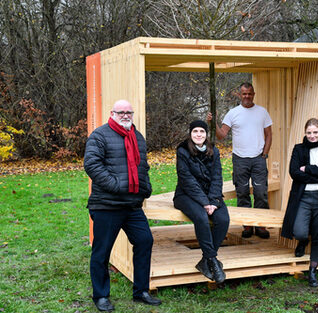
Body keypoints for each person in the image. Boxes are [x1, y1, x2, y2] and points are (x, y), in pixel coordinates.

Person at [84, 99, 161, 311]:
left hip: (132, 205)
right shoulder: (99, 135)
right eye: (121, 112)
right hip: (107, 205)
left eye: (129, 112)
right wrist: (117, 185)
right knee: (102, 251)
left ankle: (141, 291)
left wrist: (146, 188)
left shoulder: (137, 136)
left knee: (145, 241)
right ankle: (101, 296)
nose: (126, 115)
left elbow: (142, 166)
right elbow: (92, 165)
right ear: (112, 113)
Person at [208, 82, 272, 239]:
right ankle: (247, 225)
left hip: (258, 159)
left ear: (254, 94)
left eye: (250, 93)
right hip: (240, 160)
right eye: (244, 94)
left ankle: (261, 225)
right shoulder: (233, 113)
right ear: (239, 94)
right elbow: (221, 135)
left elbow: (269, 134)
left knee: (261, 193)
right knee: (242, 193)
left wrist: (264, 153)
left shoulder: (262, 112)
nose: (247, 96)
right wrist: (213, 123)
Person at [281, 118, 318, 287]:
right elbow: (293, 172)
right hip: (303, 197)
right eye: (309, 133)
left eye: (315, 132)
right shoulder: (298, 149)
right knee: (299, 231)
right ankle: (303, 241)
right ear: (305, 133)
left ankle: (313, 271)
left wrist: (308, 169)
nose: (312, 136)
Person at [173, 120, 230, 283]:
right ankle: (212, 260)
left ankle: (206, 260)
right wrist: (205, 202)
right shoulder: (182, 150)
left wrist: (213, 201)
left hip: (211, 196)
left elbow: (217, 177)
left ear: (206, 134)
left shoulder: (214, 151)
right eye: (195, 131)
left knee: (223, 219)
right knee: (201, 218)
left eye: (202, 132)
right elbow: (186, 179)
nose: (199, 134)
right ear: (190, 133)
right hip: (186, 195)